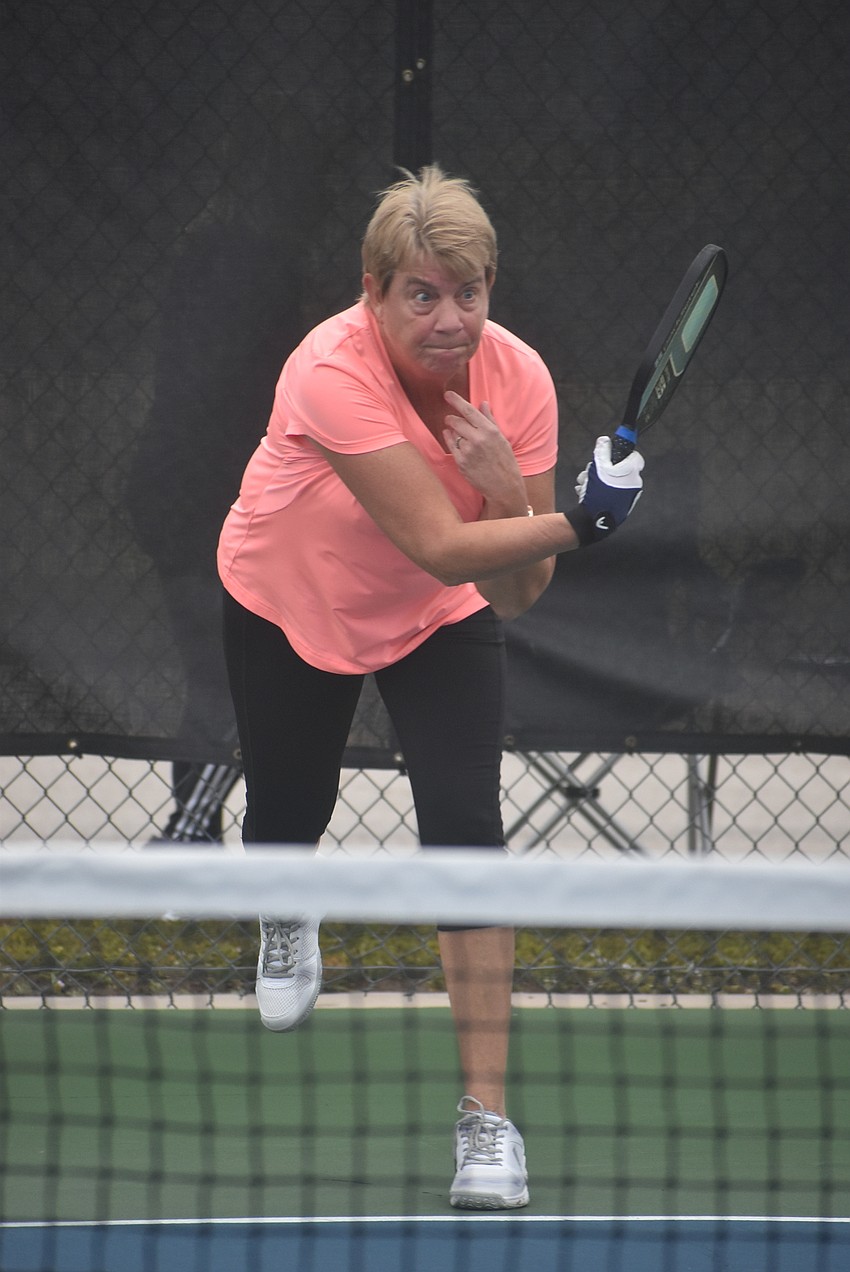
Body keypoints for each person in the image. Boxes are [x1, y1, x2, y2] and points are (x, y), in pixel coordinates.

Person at [217, 165, 644, 1209]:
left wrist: (514, 489)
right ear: (373, 291)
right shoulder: (330, 371)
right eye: (422, 293)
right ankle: (284, 903)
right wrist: (579, 517)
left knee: (465, 831)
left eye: (469, 291)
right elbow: (438, 541)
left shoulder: (520, 381)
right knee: (288, 813)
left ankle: (486, 1124)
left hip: (435, 618)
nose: (450, 318)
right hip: (289, 601)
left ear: (492, 287)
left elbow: (513, 591)